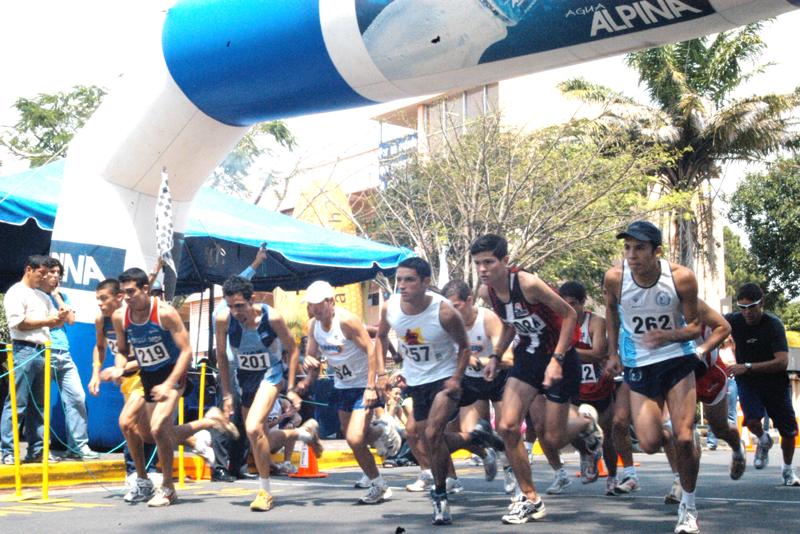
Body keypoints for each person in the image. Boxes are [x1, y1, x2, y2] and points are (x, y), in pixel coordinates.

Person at [470, 234, 602, 525]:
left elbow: (568, 315)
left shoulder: (527, 284)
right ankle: (530, 498)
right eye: (478, 263)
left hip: (561, 355)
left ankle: (586, 425)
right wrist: (495, 356)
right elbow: (508, 323)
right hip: (528, 355)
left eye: (489, 262)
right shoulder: (487, 291)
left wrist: (556, 360)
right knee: (506, 426)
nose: (483, 269)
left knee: (552, 438)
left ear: (505, 261)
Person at [604, 220, 703, 534]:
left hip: (676, 359)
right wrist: (612, 353)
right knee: (647, 442)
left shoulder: (680, 278)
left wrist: (668, 335)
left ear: (657, 251)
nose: (632, 255)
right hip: (639, 364)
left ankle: (688, 507)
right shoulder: (615, 278)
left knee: (685, 436)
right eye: (628, 248)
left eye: (640, 248)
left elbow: (696, 327)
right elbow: (610, 311)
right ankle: (680, 441)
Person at [112, 268, 237, 507]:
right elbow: (121, 350)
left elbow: (187, 351)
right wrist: (119, 367)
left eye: (131, 292)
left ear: (145, 289)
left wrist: (169, 383)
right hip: (148, 375)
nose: (127, 297)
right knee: (151, 435)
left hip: (172, 374)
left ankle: (168, 489)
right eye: (123, 293)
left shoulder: (165, 313)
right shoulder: (121, 316)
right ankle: (208, 422)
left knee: (159, 428)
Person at [374, 257, 471, 525]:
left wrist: (456, 378)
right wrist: (381, 374)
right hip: (417, 381)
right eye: (399, 279)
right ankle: (478, 438)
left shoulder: (444, 311)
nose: (402, 285)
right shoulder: (391, 307)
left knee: (431, 433)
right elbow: (380, 337)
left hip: (444, 378)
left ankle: (439, 495)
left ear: (425, 282)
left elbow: (465, 347)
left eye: (409, 280)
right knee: (428, 439)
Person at [216, 275, 322, 512]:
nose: (235, 312)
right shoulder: (223, 319)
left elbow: (293, 350)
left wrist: (292, 388)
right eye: (230, 306)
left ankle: (265, 491)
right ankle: (302, 434)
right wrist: (226, 394)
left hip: (271, 375)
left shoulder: (271, 317)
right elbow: (221, 357)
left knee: (253, 427)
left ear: (251, 300)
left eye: (239, 306)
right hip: (244, 379)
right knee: (259, 436)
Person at [298, 280, 400, 504]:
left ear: (330, 302)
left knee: (355, 438)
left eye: (317, 304)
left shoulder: (347, 322)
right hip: (342, 385)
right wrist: (307, 370)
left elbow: (372, 351)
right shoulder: (313, 326)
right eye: (310, 304)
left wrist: (372, 386)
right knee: (354, 436)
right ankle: (382, 429)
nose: (313, 309)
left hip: (363, 384)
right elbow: (313, 360)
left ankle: (378, 485)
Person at [725, 283, 800, 486]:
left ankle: (787, 470)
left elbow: (782, 361)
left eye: (752, 307)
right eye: (742, 307)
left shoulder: (773, 325)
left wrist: (747, 366)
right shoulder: (733, 320)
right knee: (752, 421)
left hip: (775, 382)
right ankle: (763, 440)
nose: (747, 312)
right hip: (748, 382)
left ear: (762, 303)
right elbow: (708, 323)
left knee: (788, 432)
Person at [90, 278, 160, 483]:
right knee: (142, 429)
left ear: (119, 297)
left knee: (128, 422)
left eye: (104, 299)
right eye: (98, 300)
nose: (100, 304)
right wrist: (96, 372)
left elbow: (147, 357)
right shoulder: (101, 320)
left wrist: (120, 369)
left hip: (145, 375)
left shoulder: (135, 319)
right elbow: (100, 347)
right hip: (126, 380)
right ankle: (196, 437)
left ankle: (138, 473)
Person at [1, 255, 69, 464]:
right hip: (24, 349)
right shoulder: (16, 292)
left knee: (39, 404)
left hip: (43, 350)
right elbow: (18, 323)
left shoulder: (43, 296)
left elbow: (53, 322)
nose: (45, 277)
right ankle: (7, 451)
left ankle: (37, 450)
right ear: (28, 269)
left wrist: (59, 318)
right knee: (17, 403)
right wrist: (48, 321)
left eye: (48, 273)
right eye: (42, 272)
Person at [441, 279, 510, 483]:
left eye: (457, 306)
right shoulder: (447, 325)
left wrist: (479, 361)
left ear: (469, 301)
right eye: (448, 308)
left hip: (498, 379)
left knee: (507, 430)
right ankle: (484, 453)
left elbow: (509, 359)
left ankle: (512, 474)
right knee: (470, 433)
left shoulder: (487, 319)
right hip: (471, 382)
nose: (452, 312)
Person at [559, 281, 619, 495]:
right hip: (575, 387)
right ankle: (587, 454)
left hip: (598, 387)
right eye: (564, 304)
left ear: (583, 303)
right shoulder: (561, 323)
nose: (569, 308)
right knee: (570, 431)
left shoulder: (596, 322)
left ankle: (612, 477)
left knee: (607, 436)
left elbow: (598, 353)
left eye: (573, 304)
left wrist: (565, 351)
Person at [39, 257, 99, 460]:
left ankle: (77, 446)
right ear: (44, 274)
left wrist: (57, 297)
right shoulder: (36, 295)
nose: (56, 276)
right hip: (43, 350)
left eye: (58, 273)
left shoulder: (62, 296)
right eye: (52, 272)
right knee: (38, 401)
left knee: (77, 398)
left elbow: (71, 320)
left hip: (63, 352)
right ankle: (39, 450)